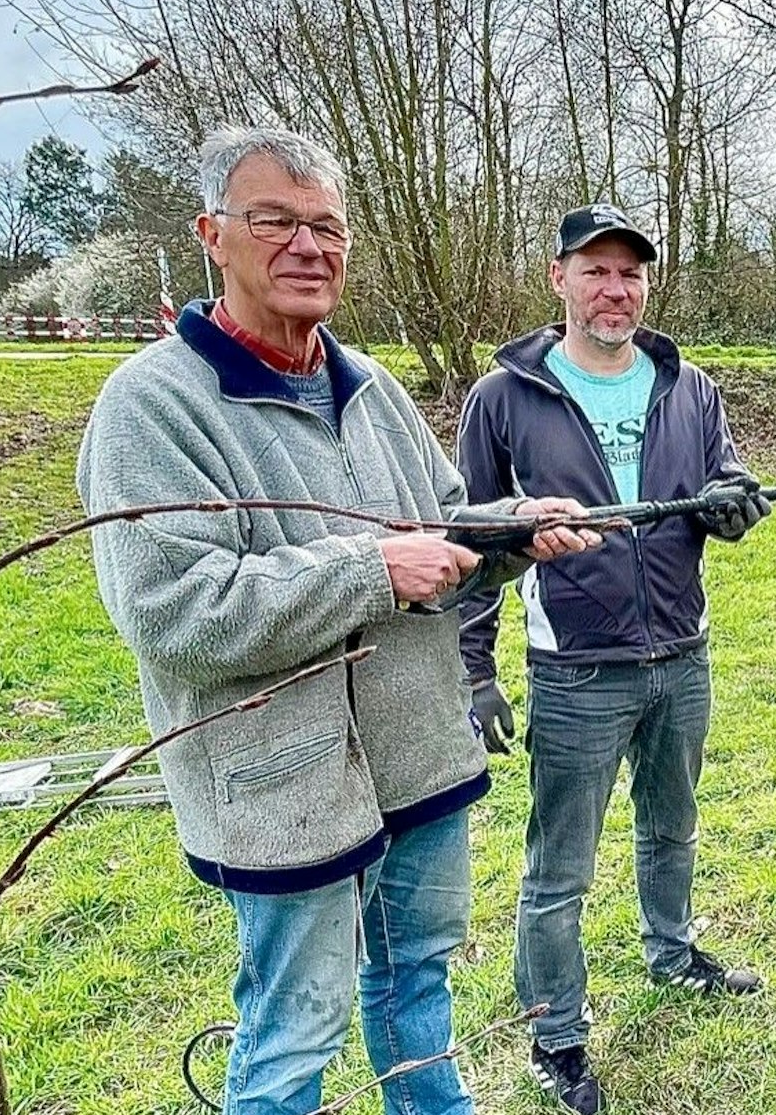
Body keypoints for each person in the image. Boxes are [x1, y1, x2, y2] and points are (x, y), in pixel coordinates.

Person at [76, 126, 598, 1115]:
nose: (306, 246)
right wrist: (370, 570)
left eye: (326, 226)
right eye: (274, 219)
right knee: (291, 1030)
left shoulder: (372, 388)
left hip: (417, 758)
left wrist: (507, 533)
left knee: (416, 990)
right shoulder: (151, 406)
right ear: (211, 234)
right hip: (281, 789)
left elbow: (439, 539)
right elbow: (173, 611)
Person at [456, 203, 771, 1115]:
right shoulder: (503, 399)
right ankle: (555, 1034)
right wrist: (475, 669)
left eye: (629, 271)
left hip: (683, 652)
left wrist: (733, 504)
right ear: (558, 278)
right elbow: (469, 538)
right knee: (560, 868)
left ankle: (672, 955)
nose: (614, 288)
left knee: (672, 826)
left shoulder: (690, 386)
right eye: (594, 270)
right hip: (577, 669)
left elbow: (727, 478)